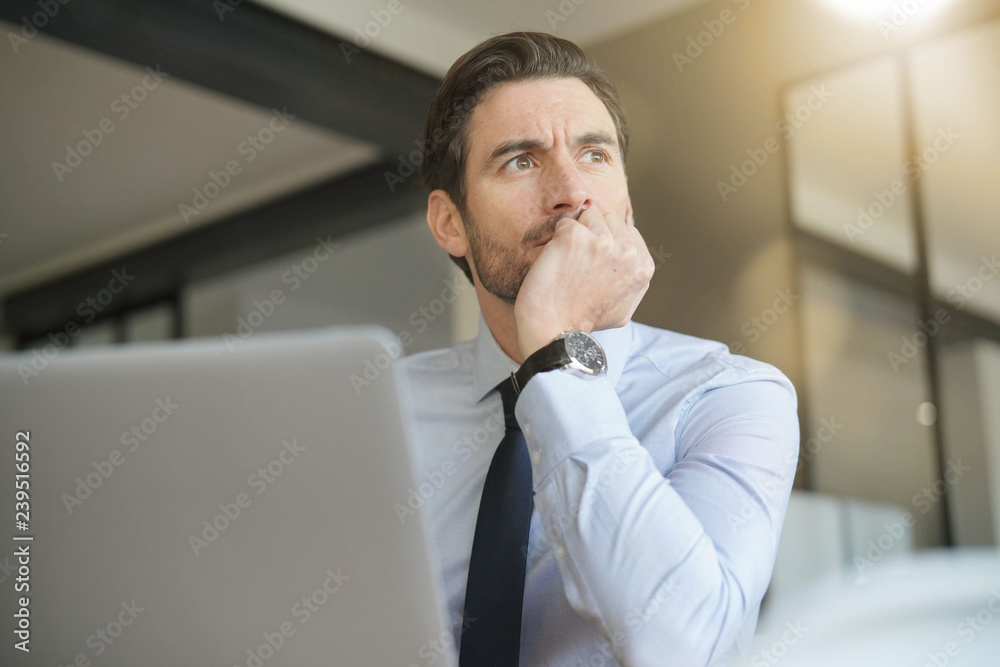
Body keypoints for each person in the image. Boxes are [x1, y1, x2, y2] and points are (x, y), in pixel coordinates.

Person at [400, 30, 799, 667]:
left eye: (594, 155)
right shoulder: (381, 412)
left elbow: (684, 646)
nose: (571, 191)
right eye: (521, 161)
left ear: (627, 201)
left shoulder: (732, 395)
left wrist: (558, 353)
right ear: (450, 223)